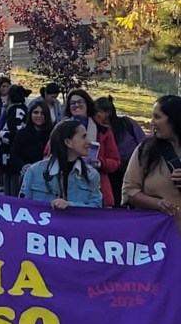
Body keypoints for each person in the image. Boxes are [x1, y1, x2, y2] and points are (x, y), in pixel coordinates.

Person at [123, 95, 181, 231]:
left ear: (174, 119)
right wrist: (158, 204)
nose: (152, 122)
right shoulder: (146, 150)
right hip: (156, 238)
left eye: (157, 117)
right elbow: (129, 191)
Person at [20, 119, 103, 209]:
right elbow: (21, 207)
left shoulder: (92, 175)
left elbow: (96, 208)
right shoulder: (35, 171)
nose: (89, 142)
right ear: (68, 142)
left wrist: (70, 206)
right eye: (83, 137)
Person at [64, 89, 120, 206]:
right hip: (66, 186)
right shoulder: (60, 129)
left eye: (80, 102)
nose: (77, 105)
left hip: (97, 187)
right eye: (73, 103)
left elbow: (115, 161)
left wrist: (101, 163)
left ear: (87, 104)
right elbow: (48, 155)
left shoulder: (103, 130)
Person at [96, 96, 145, 207]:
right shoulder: (98, 129)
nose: (95, 115)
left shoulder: (127, 123)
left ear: (107, 113)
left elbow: (144, 143)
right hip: (111, 172)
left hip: (132, 169)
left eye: (98, 112)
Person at [6, 101, 54, 197]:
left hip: (45, 180)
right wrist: (23, 167)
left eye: (42, 113)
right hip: (23, 178)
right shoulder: (21, 134)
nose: (39, 115)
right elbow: (14, 155)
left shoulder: (52, 135)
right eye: (36, 112)